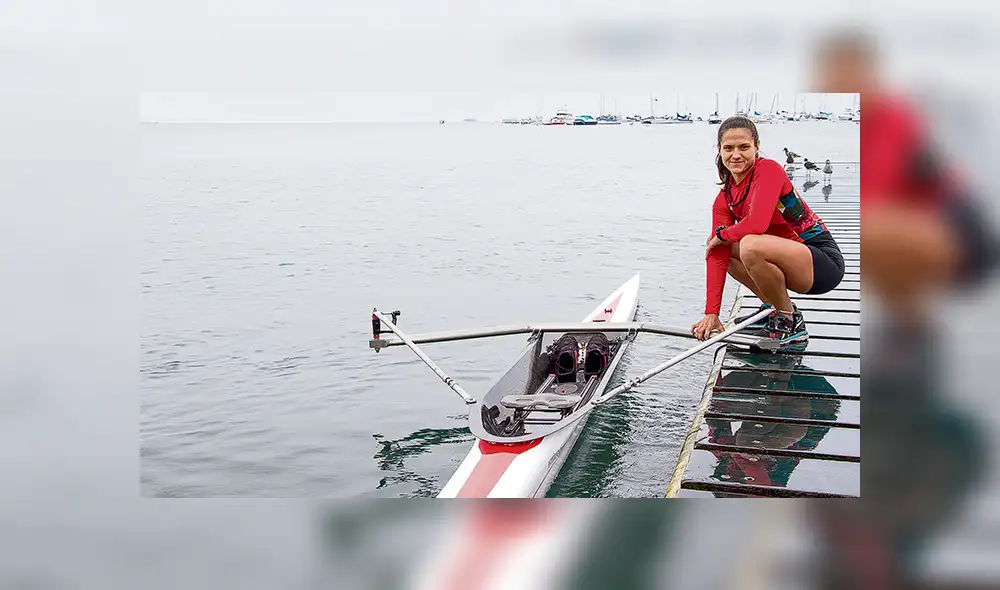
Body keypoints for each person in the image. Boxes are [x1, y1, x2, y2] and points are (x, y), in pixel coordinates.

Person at [691, 116, 845, 349]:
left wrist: (722, 235)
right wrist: (711, 313)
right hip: (788, 259)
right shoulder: (725, 197)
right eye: (729, 148)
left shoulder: (769, 170)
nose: (736, 155)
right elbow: (717, 254)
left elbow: (757, 225)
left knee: (748, 244)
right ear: (719, 150)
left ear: (757, 147)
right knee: (720, 246)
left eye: (744, 147)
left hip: (821, 263)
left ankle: (789, 321)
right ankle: (774, 309)